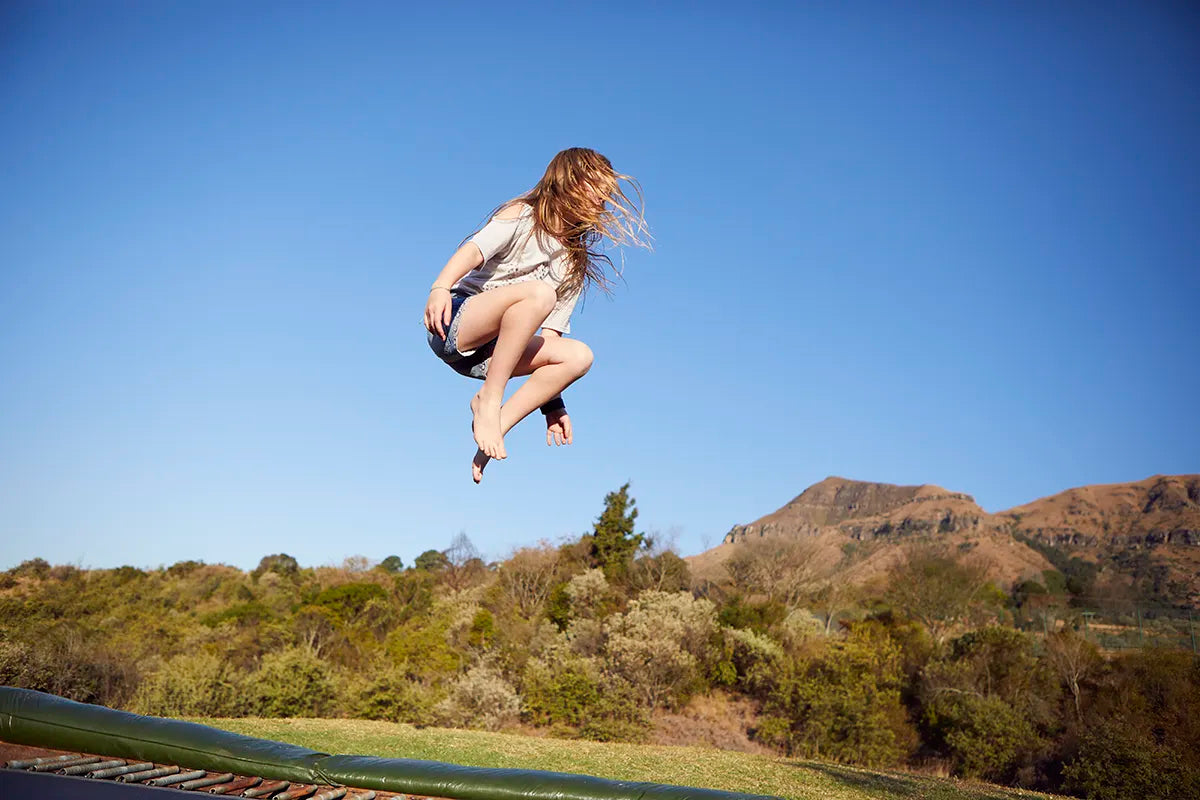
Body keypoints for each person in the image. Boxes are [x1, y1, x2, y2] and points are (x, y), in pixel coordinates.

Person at [423, 147, 649, 483]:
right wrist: (440, 287)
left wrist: (553, 405)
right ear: (568, 182)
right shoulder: (523, 216)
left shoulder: (574, 263)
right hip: (456, 324)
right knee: (539, 293)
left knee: (579, 356)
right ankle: (490, 399)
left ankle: (497, 424)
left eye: (606, 196)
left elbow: (548, 342)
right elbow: (473, 250)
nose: (602, 202)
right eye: (596, 190)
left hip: (493, 357)